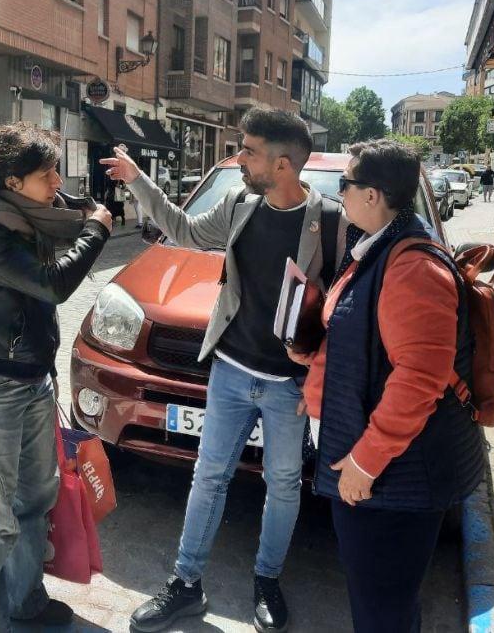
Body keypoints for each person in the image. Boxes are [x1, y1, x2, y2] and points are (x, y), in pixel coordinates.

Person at [102, 107, 342, 633]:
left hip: (286, 385)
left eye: (248, 150)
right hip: (231, 371)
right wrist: (138, 181)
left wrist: (318, 373)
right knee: (208, 476)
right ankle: (186, 585)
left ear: (283, 164)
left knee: (283, 484)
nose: (238, 158)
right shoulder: (240, 203)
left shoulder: (329, 221)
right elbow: (183, 230)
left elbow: (339, 308)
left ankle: (267, 580)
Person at [289, 139, 484, 633]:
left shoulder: (413, 267)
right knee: (378, 604)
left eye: (345, 185)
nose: (340, 196)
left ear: (373, 194)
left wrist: (363, 462)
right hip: (379, 477)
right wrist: (315, 375)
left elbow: (419, 378)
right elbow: (366, 344)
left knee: (384, 613)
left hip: (395, 483)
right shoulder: (379, 249)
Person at [0, 123, 112, 633]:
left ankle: (26, 602)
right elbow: (53, 284)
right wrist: (97, 231)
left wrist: (86, 207)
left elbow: (69, 205)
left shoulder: (30, 212)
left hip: (33, 379)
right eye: (47, 174)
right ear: (14, 182)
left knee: (34, 502)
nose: (56, 181)